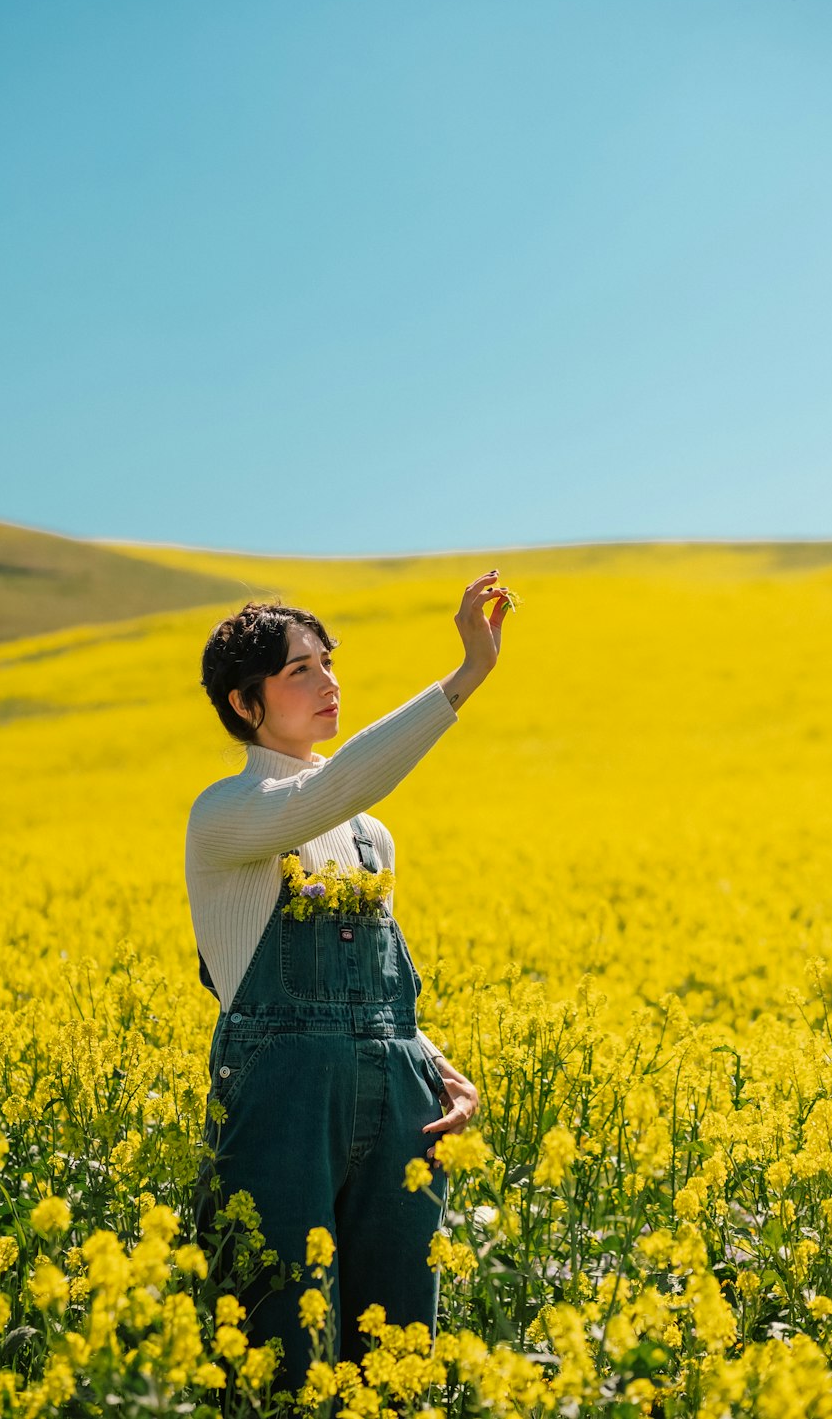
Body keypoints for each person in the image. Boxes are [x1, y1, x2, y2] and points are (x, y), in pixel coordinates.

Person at [187, 569, 514, 1390]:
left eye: (329, 662)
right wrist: (466, 674)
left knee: (400, 1352)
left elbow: (377, 989)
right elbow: (328, 789)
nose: (329, 682)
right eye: (301, 669)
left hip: (396, 1104)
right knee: (273, 1356)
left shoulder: (372, 836)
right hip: (282, 1104)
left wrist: (435, 1066)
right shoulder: (227, 813)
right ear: (244, 704)